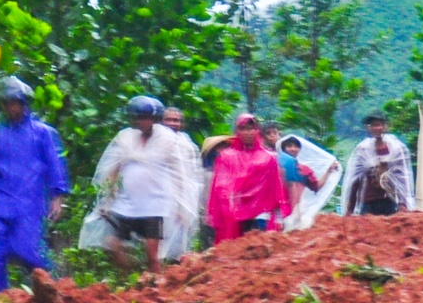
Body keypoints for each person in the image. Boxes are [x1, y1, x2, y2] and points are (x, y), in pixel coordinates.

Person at [0, 77, 69, 295]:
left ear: (24, 104)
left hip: (29, 201)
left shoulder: (42, 132)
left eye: (15, 102)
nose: (11, 107)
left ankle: (52, 292)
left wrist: (57, 196)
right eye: (7, 103)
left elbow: (55, 164)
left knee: (29, 250)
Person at [83, 96, 197, 275]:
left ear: (155, 119)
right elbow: (114, 169)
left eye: (145, 117)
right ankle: (134, 276)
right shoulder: (126, 138)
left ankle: (157, 290)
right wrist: (107, 199)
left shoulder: (167, 140)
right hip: (126, 203)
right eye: (138, 117)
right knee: (112, 246)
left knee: (152, 255)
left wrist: (180, 205)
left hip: (155, 205)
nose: (141, 121)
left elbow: (179, 173)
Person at [207, 113, 288, 240]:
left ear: (257, 131)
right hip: (235, 212)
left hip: (261, 212)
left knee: (257, 245)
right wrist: (230, 203)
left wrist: (278, 216)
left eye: (251, 128)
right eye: (243, 128)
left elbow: (275, 189)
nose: (247, 132)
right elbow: (221, 186)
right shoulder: (226, 157)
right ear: (236, 131)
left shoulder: (269, 158)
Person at [341, 114, 411, 216]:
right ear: (368, 128)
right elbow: (355, 179)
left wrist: (403, 203)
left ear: (385, 126)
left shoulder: (396, 149)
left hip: (389, 200)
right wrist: (350, 208)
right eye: (373, 125)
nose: (377, 128)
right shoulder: (362, 150)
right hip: (369, 200)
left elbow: (403, 179)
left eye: (379, 125)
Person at [159, 107, 205, 250]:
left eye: (176, 120)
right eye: (168, 119)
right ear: (161, 121)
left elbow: (194, 171)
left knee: (179, 236)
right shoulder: (154, 140)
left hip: (183, 196)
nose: (172, 123)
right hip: (159, 195)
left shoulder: (187, 143)